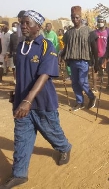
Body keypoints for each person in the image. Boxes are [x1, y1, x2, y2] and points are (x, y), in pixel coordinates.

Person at [0, 10, 72, 189]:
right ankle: (19, 173)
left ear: (37, 26)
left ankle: (64, 148)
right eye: (21, 22)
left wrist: (28, 99)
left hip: (42, 102)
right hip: (23, 102)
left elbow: (45, 74)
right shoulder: (21, 46)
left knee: (51, 132)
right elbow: (22, 74)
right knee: (21, 138)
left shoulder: (46, 46)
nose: (23, 26)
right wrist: (18, 94)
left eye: (27, 23)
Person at [60, 6, 97, 111]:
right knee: (75, 82)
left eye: (77, 17)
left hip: (83, 61)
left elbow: (94, 46)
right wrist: (62, 56)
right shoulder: (69, 33)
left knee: (82, 81)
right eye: (72, 18)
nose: (75, 20)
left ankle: (91, 96)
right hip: (72, 61)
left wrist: (96, 61)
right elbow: (66, 47)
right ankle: (80, 102)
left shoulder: (89, 31)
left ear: (80, 17)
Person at [89, 15, 109, 91]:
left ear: (104, 22)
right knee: (95, 70)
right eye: (98, 21)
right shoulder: (94, 32)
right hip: (96, 55)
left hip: (106, 55)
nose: (100, 23)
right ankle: (95, 86)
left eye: (101, 21)